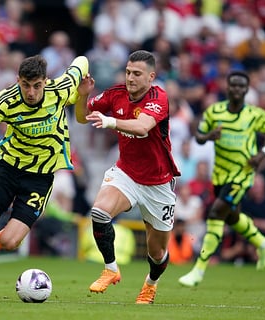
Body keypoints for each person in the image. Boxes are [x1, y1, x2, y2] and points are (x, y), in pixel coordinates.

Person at [0, 54, 94, 300]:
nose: (30, 92)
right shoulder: (5, 100)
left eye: (36, 85)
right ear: (17, 81)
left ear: (45, 81)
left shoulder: (61, 89)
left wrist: (82, 89)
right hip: (6, 170)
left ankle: (4, 236)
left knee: (10, 243)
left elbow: (82, 60)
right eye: (25, 85)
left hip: (39, 179)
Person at [76, 50, 181, 304]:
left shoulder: (159, 97)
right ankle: (111, 269)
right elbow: (81, 117)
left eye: (137, 74)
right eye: (127, 72)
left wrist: (110, 122)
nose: (130, 78)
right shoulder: (115, 95)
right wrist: (82, 96)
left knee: (157, 253)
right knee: (99, 212)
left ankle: (150, 284)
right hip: (127, 173)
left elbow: (143, 126)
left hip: (159, 183)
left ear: (151, 76)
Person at [178, 70, 265, 287]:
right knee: (231, 217)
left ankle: (199, 269)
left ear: (247, 89)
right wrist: (208, 136)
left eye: (242, 86)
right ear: (227, 87)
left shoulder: (255, 114)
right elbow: (199, 136)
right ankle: (263, 242)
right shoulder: (215, 112)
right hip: (220, 174)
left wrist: (263, 153)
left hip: (242, 175)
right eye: (233, 85)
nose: (237, 89)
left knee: (216, 213)